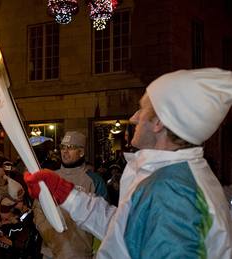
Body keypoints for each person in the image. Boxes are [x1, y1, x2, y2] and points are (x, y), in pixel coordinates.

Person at [24, 68, 232, 258]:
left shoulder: (173, 193)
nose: (134, 118)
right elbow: (123, 229)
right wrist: (63, 192)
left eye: (142, 109)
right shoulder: (165, 177)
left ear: (158, 123)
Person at [33, 131, 107, 259]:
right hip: (51, 252)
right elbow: (38, 207)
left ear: (81, 152)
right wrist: (47, 232)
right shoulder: (50, 176)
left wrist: (97, 252)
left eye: (71, 148)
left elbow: (104, 219)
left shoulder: (93, 180)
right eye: (63, 147)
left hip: (79, 252)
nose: (65, 152)